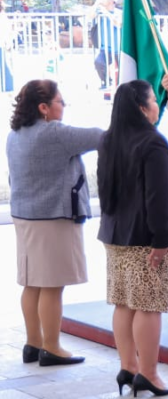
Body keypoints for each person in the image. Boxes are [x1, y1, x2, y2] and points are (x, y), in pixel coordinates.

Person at [8, 80, 103, 367]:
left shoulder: (15, 134)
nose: (64, 106)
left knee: (32, 283)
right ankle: (52, 346)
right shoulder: (55, 133)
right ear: (44, 108)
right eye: (60, 101)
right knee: (52, 285)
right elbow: (100, 137)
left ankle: (33, 343)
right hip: (53, 218)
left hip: (24, 217)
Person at [97, 81, 168, 398]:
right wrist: (163, 237)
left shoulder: (109, 140)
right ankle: (150, 373)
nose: (158, 106)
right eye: (154, 101)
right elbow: (158, 198)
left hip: (115, 233)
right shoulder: (153, 143)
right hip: (146, 237)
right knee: (148, 305)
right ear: (143, 108)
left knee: (123, 302)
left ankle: (128, 366)